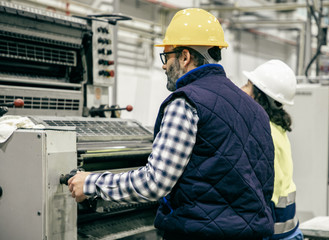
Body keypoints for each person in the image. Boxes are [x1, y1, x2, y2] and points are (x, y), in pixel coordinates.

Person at [68, 8, 275, 240]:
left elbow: (154, 183)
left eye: (167, 57)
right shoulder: (256, 110)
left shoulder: (187, 102)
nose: (164, 66)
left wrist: (91, 183)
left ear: (185, 57)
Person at [241, 60, 304, 240]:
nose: (241, 88)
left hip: (272, 229)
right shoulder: (276, 127)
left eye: (247, 85)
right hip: (288, 226)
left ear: (259, 95)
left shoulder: (261, 131)